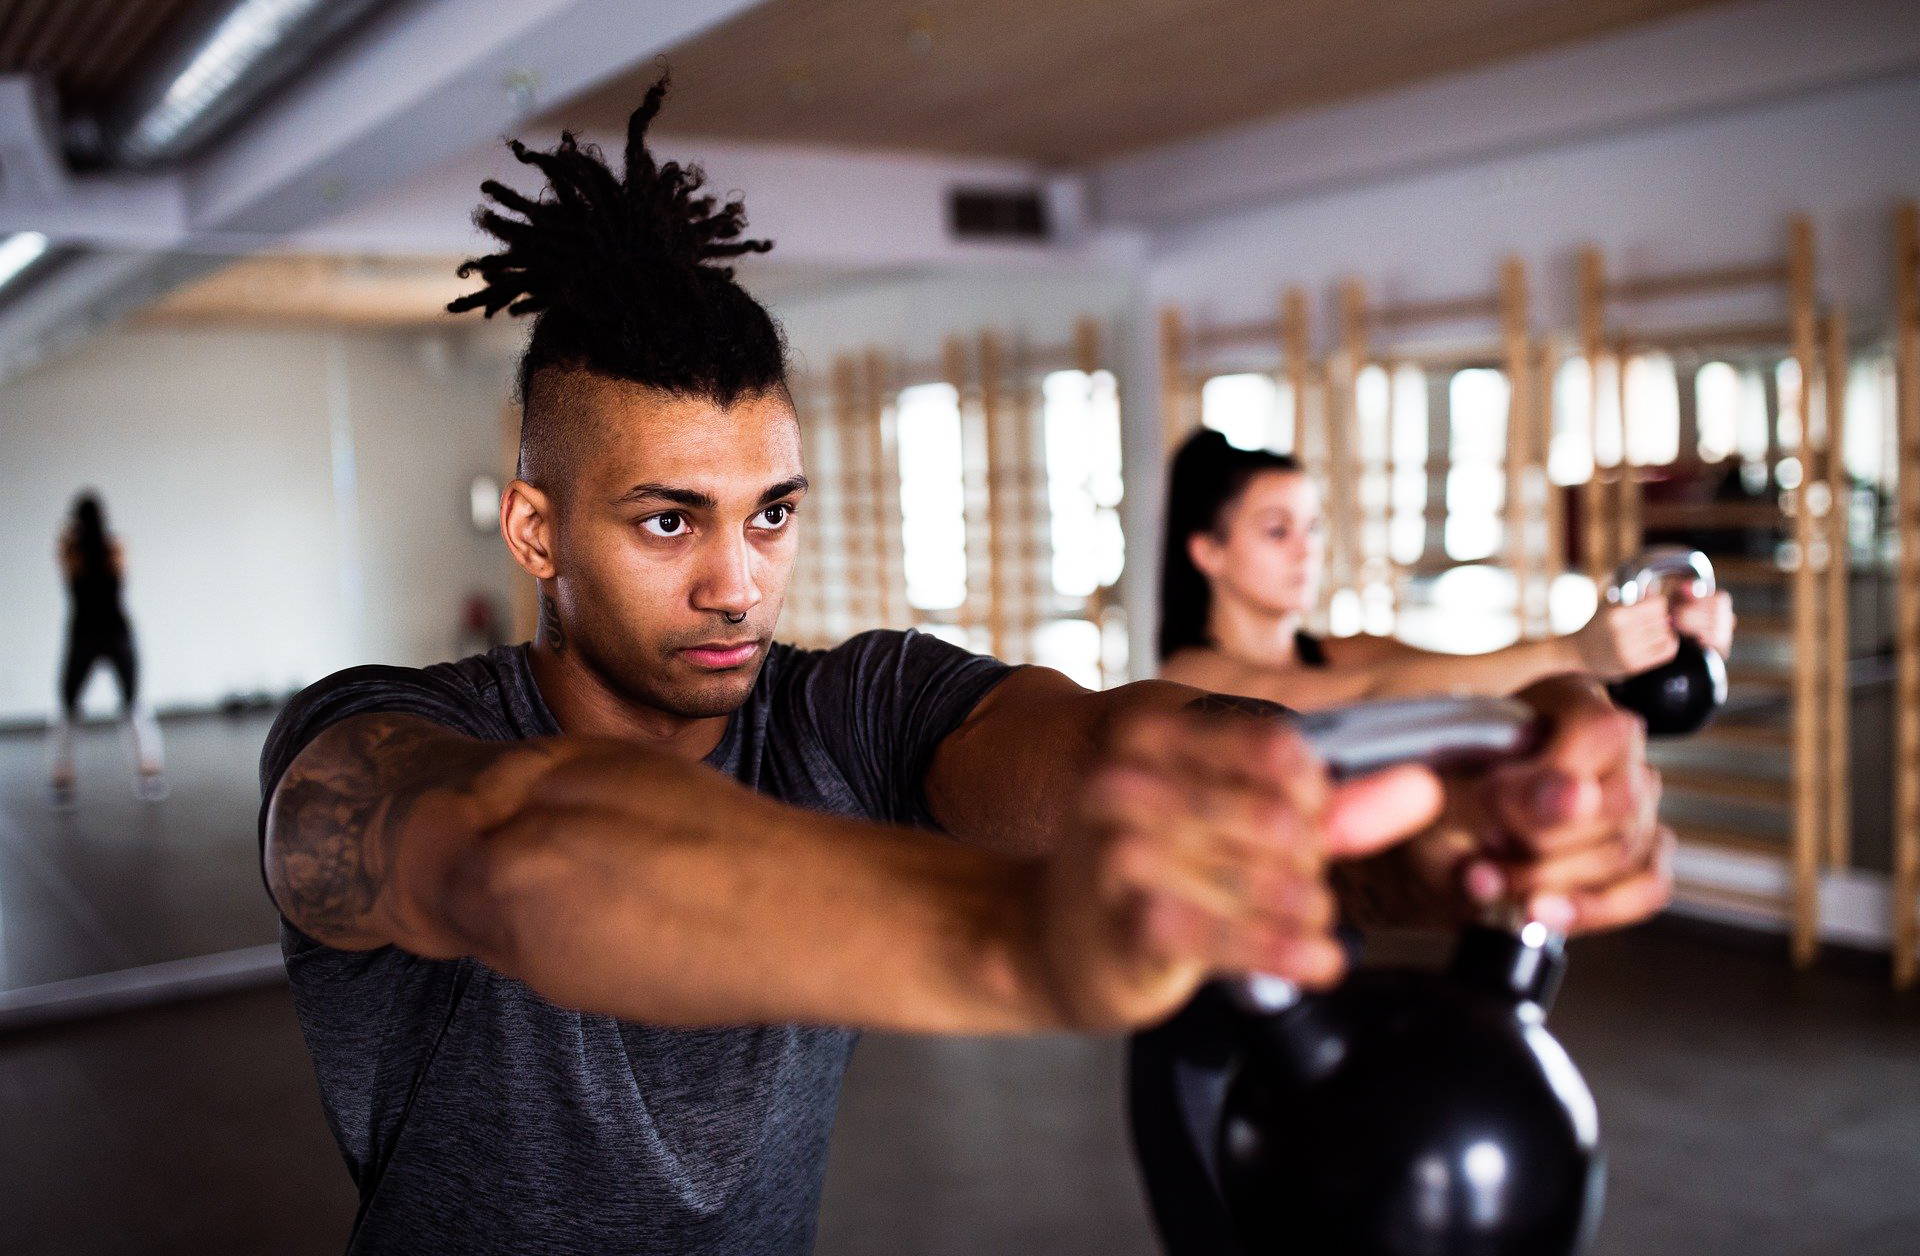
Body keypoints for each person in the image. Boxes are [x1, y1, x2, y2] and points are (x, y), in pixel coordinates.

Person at [259, 79, 1673, 1255]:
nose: (737, 580)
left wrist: (1452, 799)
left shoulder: (844, 710)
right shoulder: (369, 748)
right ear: (536, 529)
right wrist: (1015, 942)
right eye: (668, 520)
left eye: (772, 513)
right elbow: (521, 860)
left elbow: (1112, 746)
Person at [1157, 428, 1735, 712]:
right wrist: (1574, 655)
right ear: (1208, 550)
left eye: (1312, 528)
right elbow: (1365, 696)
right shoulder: (1190, 679)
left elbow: (1472, 674)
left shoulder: (1343, 651)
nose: (1306, 550)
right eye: (1277, 530)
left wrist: (1646, 641)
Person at [51, 491, 164, 802]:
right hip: (113, 632)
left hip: (89, 632)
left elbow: (67, 563)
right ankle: (148, 774)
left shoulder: (74, 551)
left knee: (71, 707)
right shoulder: (112, 547)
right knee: (131, 704)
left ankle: (63, 780)